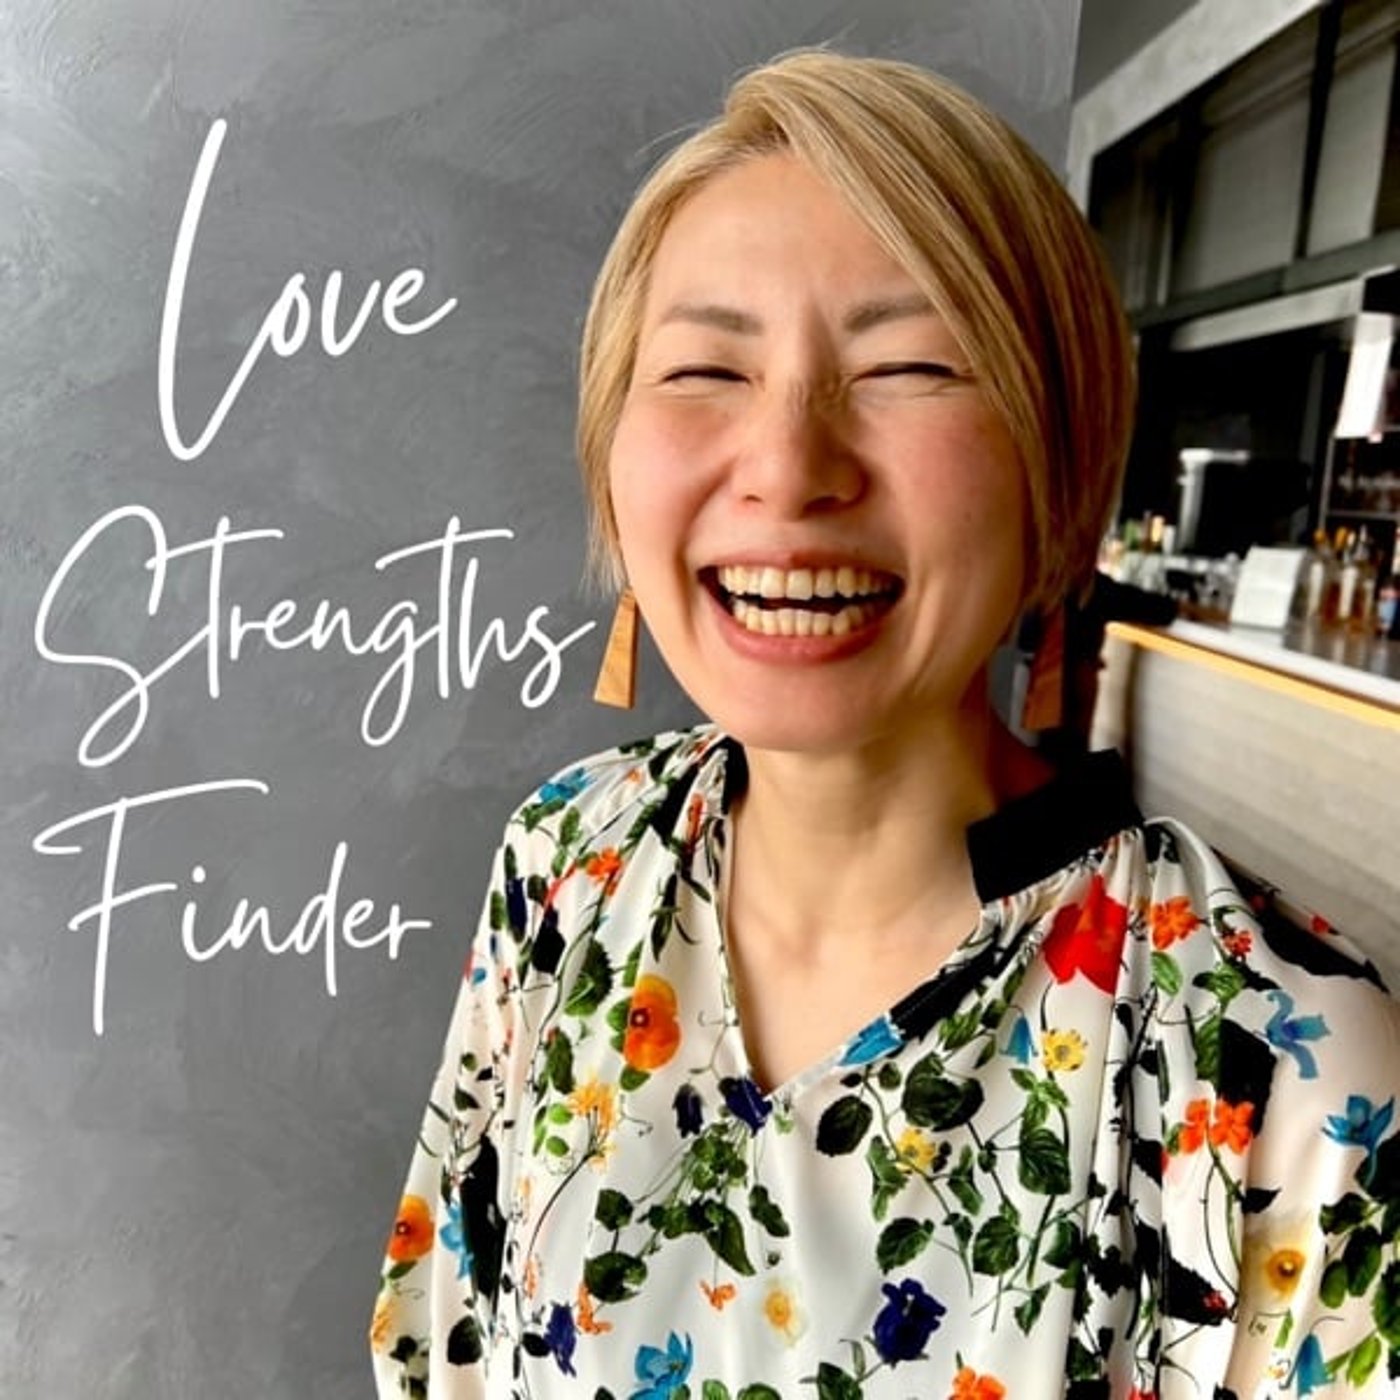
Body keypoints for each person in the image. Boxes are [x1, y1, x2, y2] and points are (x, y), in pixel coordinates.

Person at [370, 51, 1400, 1399]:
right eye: (703, 369)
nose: (788, 468)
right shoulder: (566, 868)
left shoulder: (1281, 1059)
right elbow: (441, 1344)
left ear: (1058, 468)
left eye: (909, 364)